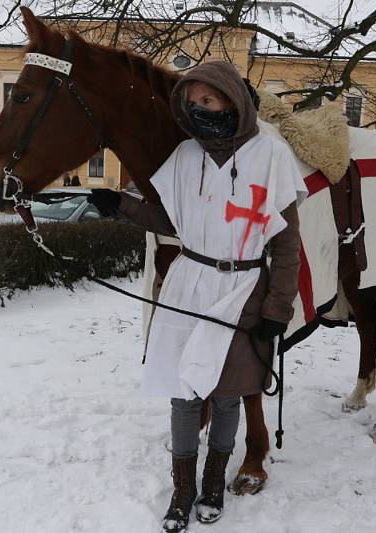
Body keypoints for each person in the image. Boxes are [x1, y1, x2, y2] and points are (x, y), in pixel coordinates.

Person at [88, 62, 306, 533]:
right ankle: (182, 487)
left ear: (231, 99)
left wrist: (276, 312)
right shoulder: (186, 156)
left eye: (208, 101)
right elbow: (174, 222)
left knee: (227, 397)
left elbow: (287, 246)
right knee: (183, 394)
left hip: (244, 289)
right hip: (190, 283)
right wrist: (120, 205)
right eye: (193, 104)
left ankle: (212, 481)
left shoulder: (271, 155)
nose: (200, 110)